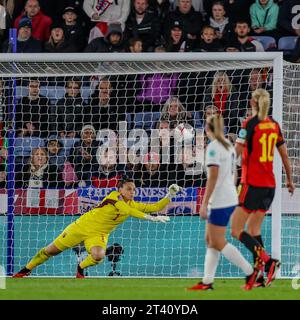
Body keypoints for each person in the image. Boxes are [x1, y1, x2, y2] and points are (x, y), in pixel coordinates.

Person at [13, 177, 181, 278]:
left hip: (99, 234)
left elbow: (155, 207)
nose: (132, 191)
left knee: (99, 256)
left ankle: (80, 268)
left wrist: (170, 195)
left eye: (134, 189)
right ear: (120, 189)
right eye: (129, 189)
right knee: (51, 251)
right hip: (81, 227)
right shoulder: (113, 197)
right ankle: (25, 270)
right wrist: (151, 219)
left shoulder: (132, 202)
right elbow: (128, 211)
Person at [230, 89, 295, 287]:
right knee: (254, 229)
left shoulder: (249, 123)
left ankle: (269, 262)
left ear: (252, 102)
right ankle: (259, 275)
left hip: (252, 184)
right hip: (270, 186)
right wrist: (290, 181)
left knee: (236, 230)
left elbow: (237, 153)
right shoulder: (274, 125)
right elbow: (284, 155)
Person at [188, 114, 258, 291]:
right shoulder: (229, 146)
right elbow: (233, 173)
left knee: (217, 241)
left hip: (219, 199)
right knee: (210, 240)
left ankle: (250, 271)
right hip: (227, 197)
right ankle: (207, 281)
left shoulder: (213, 148)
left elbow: (212, 178)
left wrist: (204, 204)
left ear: (207, 129)